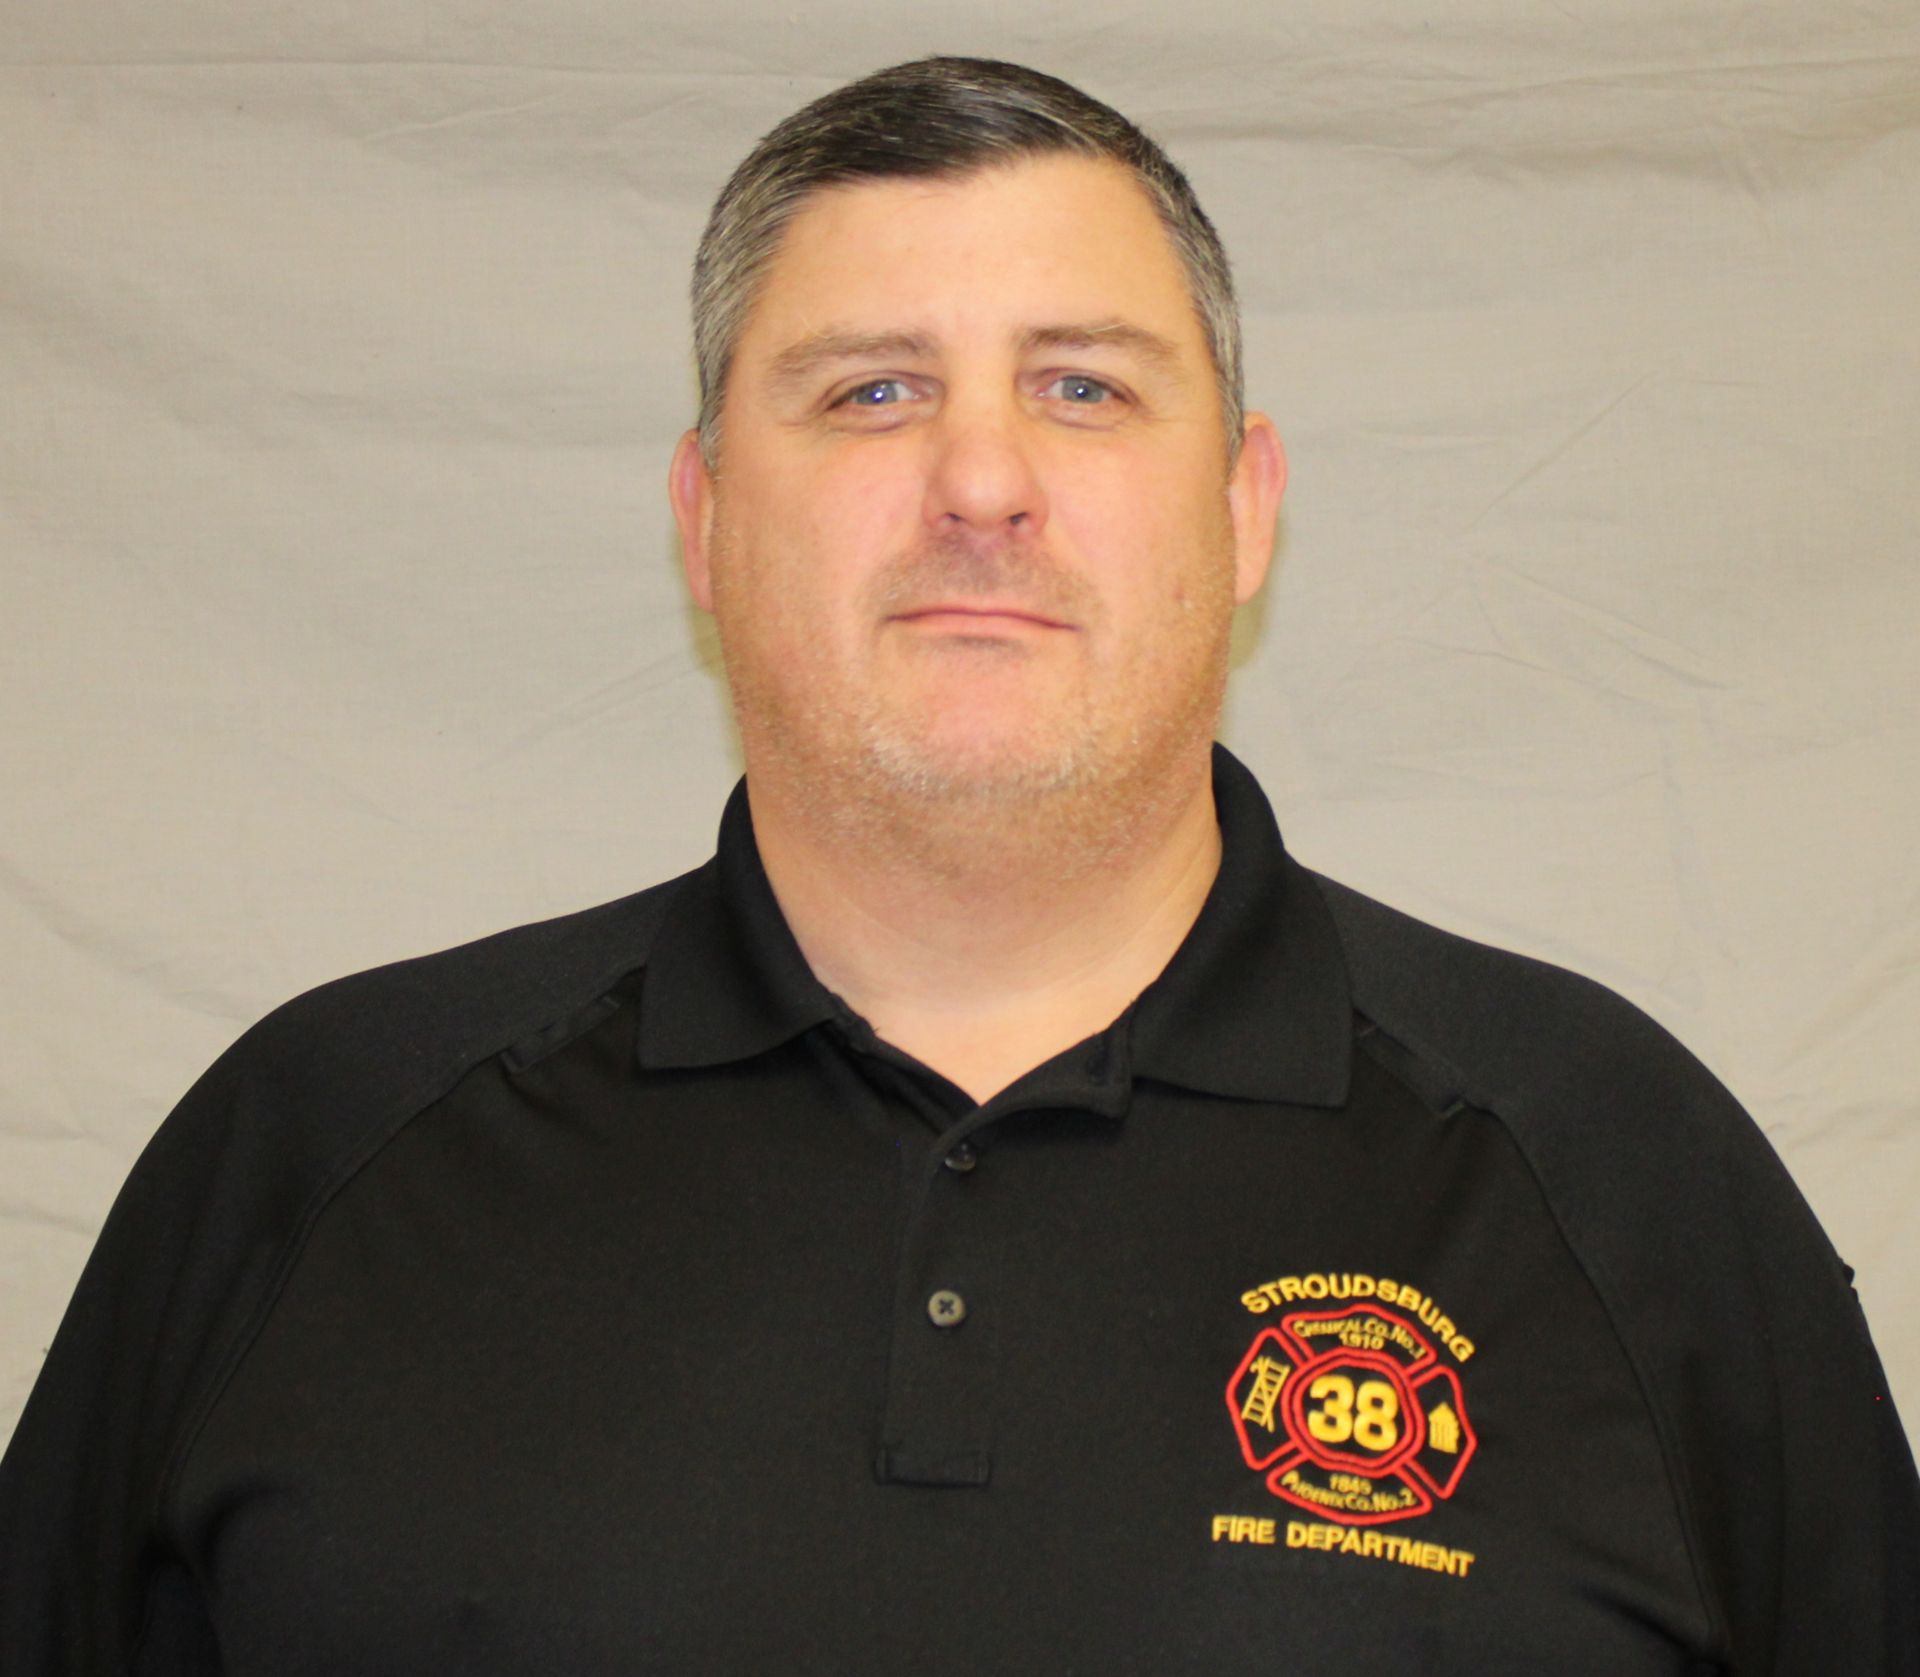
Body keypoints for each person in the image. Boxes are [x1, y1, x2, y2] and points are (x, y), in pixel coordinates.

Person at [2, 54, 1914, 1677]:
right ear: (703, 514)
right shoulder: (313, 1153)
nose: (982, 480)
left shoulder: (1624, 1183)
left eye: (1083, 386)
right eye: (870, 390)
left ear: (1245, 507)